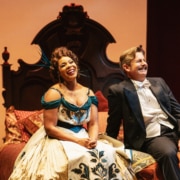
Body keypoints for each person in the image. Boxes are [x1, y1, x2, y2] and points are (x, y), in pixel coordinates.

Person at [9, 47, 136, 180]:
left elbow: (93, 123)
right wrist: (78, 141)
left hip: (82, 134)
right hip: (59, 137)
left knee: (107, 153)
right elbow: (50, 127)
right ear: (58, 71)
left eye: (71, 62)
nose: (69, 66)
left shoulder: (89, 93)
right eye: (63, 65)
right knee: (66, 162)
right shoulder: (54, 93)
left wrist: (92, 140)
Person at [106, 45, 180, 180]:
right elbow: (114, 122)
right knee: (168, 153)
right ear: (127, 67)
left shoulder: (159, 82)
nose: (144, 63)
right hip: (153, 138)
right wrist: (108, 144)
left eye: (144, 60)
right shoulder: (118, 90)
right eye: (139, 61)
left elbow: (177, 112)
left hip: (173, 130)